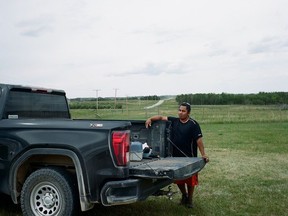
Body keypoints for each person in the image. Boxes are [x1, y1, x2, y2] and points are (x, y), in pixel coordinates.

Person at [145, 102, 209, 208]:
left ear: (188, 112)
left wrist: (204, 154)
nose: (181, 113)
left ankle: (190, 200)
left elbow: (199, 141)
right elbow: (161, 117)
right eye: (179, 110)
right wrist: (150, 119)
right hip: (176, 157)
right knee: (179, 179)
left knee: (190, 180)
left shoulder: (193, 124)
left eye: (183, 111)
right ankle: (184, 195)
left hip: (189, 157)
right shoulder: (174, 121)